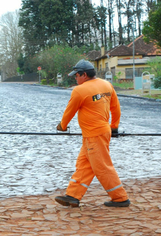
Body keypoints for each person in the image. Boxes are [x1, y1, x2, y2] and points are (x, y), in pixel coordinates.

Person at [55, 59, 130, 208]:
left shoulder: (79, 90)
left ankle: (120, 198)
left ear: (84, 75)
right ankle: (73, 196)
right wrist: (114, 127)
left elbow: (69, 111)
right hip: (99, 133)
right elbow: (116, 108)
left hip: (94, 135)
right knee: (84, 165)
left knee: (102, 167)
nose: (75, 78)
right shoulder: (106, 85)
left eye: (76, 75)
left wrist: (62, 126)